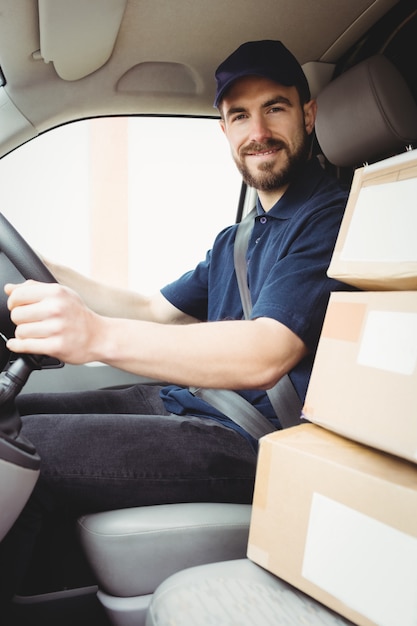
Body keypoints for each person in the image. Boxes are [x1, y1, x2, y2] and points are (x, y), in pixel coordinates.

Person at [0, 40, 350, 605]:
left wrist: (94, 336)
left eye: (275, 107)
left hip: (249, 438)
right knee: (16, 414)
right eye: (239, 114)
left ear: (307, 115)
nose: (257, 128)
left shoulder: (329, 218)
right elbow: (151, 309)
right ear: (225, 130)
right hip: (188, 403)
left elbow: (266, 352)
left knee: (22, 448)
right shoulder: (236, 238)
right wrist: (37, 271)